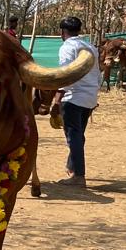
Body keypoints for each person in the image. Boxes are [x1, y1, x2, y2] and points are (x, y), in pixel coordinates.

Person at [51, 16, 100, 187]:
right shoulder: (90, 47)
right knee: (79, 135)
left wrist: (57, 101)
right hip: (89, 98)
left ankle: (79, 176)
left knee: (74, 137)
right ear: (79, 30)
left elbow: (65, 74)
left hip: (73, 98)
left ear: (62, 32)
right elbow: (97, 74)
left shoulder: (67, 47)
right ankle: (72, 167)